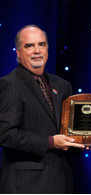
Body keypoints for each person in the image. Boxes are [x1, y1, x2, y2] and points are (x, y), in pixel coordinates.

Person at [0, 25, 85, 194]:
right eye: (29, 46)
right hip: (26, 185)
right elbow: (6, 134)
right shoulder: (9, 84)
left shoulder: (62, 85)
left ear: (47, 48)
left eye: (42, 44)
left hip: (61, 181)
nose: (37, 50)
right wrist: (51, 142)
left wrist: (86, 138)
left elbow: (68, 129)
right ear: (18, 51)